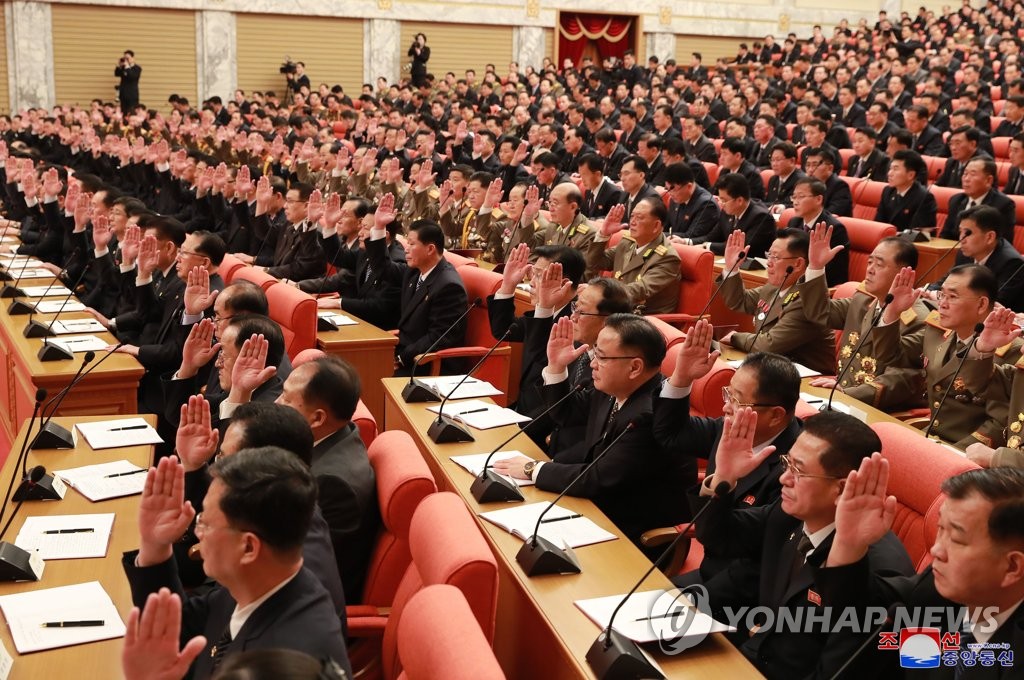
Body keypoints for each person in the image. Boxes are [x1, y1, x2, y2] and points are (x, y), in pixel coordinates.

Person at [694, 410, 914, 679]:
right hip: (744, 659)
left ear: (842, 489)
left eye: (798, 470)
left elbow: (838, 670)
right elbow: (721, 537)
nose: (783, 478)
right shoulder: (788, 515)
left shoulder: (875, 571)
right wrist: (723, 478)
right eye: (787, 463)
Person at [122, 449, 352, 679]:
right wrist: (155, 545)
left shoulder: (283, 663)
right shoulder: (261, 580)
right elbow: (179, 628)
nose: (197, 532)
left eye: (205, 523)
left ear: (249, 547)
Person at [494, 314, 691, 553]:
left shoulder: (651, 414)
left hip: (633, 537)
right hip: (595, 508)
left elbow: (597, 478)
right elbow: (566, 414)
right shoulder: (612, 387)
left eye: (602, 357)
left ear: (635, 367)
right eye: (595, 353)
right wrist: (556, 367)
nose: (592, 364)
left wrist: (532, 469)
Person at [819, 460, 1024, 679]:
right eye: (940, 529)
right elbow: (855, 608)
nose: (936, 550)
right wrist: (849, 543)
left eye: (956, 538)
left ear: (1012, 567)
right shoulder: (940, 591)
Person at [654, 320, 804, 592]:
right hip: (710, 572)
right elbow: (670, 434)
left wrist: (695, 601)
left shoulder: (796, 467)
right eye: (728, 394)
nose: (726, 407)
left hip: (745, 594)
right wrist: (682, 377)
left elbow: (759, 559)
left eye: (738, 400)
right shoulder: (730, 429)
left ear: (776, 415)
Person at [275, 355, 379, 604]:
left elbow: (298, 566)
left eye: (287, 400)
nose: (276, 403)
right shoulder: (338, 435)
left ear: (318, 418)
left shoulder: (332, 484)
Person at [876, 264, 1009, 449]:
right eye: (941, 295)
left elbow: (1001, 422)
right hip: (930, 437)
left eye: (952, 297)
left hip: (969, 453)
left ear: (981, 304)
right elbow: (890, 357)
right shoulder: (936, 332)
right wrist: (892, 311)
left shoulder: (1007, 349)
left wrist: (952, 453)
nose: (942, 304)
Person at [803, 229, 930, 410]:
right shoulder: (864, 299)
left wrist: (846, 393)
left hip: (878, 409)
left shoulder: (918, 321)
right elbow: (820, 313)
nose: (869, 269)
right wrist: (816, 267)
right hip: (840, 396)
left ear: (904, 273)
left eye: (879, 264)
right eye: (869, 261)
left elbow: (901, 378)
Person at [367, 194, 468, 375]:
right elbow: (383, 269)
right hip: (407, 350)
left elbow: (438, 338)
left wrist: (401, 358)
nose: (405, 248)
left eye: (411, 244)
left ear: (430, 249)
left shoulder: (448, 286)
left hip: (426, 363)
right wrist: (379, 227)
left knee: (372, 373)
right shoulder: (415, 270)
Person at [719, 228, 837, 374]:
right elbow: (739, 301)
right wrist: (732, 267)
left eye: (775, 257)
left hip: (808, 382)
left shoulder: (807, 300)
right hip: (773, 370)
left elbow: (768, 344)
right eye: (769, 255)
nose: (769, 263)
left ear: (798, 264)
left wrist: (735, 337)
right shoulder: (774, 288)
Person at [587, 197, 681, 314]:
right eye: (632, 216)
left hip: (643, 320)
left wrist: (600, 292)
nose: (632, 221)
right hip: (617, 310)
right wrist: (603, 234)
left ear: (656, 226)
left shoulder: (667, 257)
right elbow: (594, 263)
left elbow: (640, 290)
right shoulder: (628, 242)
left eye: (639, 218)